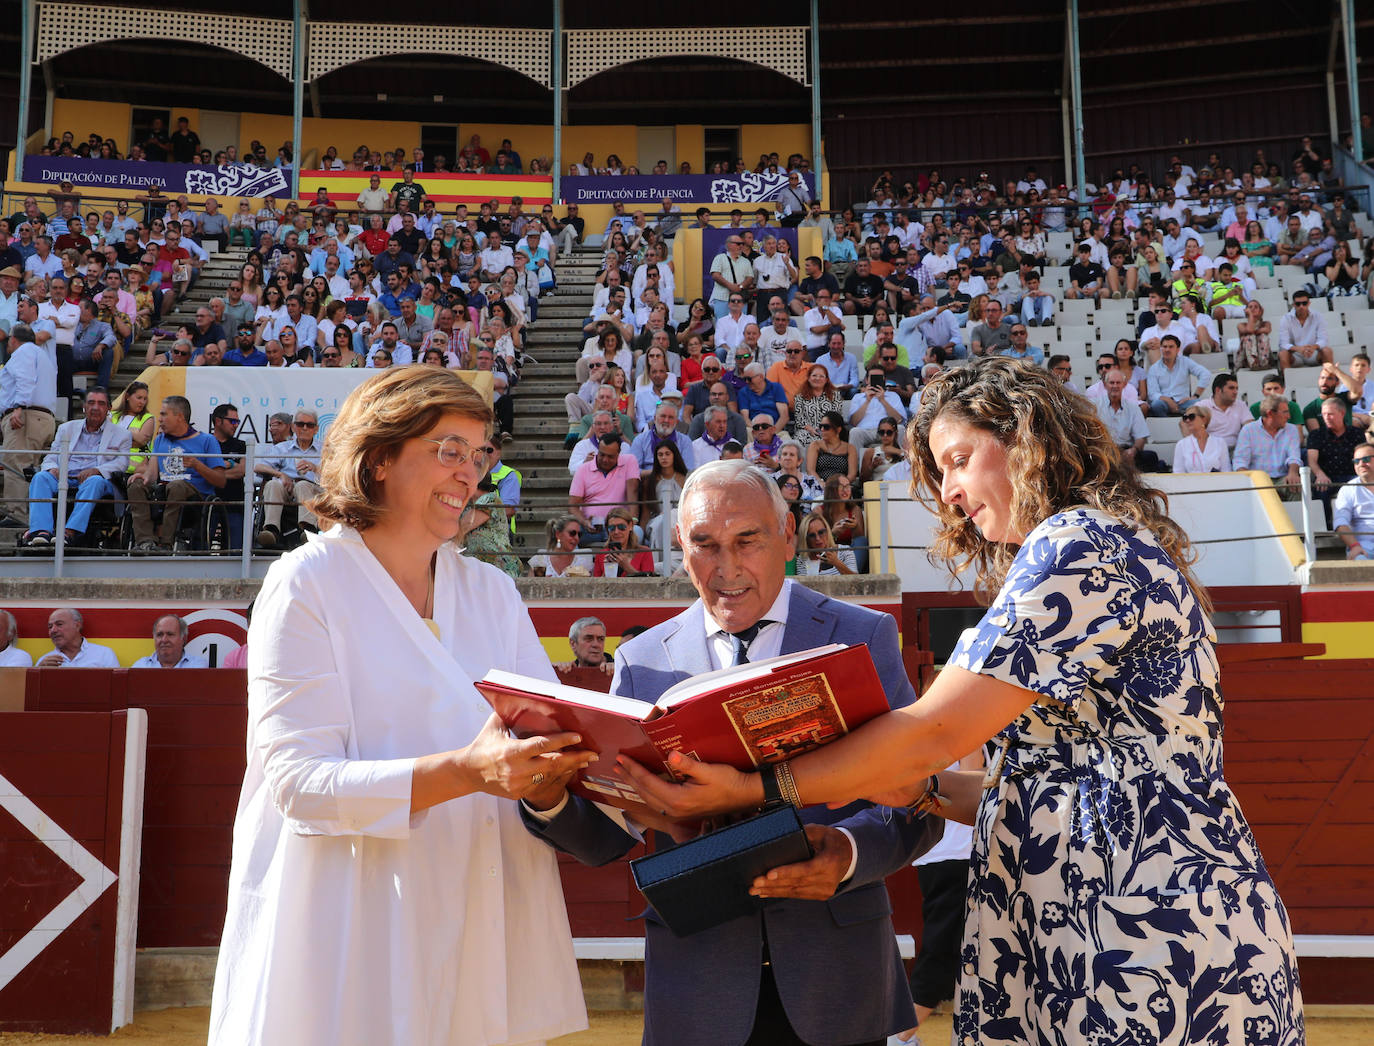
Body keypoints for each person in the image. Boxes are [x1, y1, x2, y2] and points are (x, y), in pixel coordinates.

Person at [621, 359, 1307, 1046]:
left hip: (1139, 935)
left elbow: (930, 732)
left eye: (956, 460)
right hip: (1108, 924)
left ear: (1024, 439)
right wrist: (916, 787)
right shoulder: (1091, 544)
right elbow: (1030, 788)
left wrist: (754, 786)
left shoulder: (1079, 547)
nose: (949, 492)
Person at [208, 368, 593, 1046]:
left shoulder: (492, 594)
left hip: (478, 918)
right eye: (448, 449)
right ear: (379, 458)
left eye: (479, 455)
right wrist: (471, 773)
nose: (468, 473)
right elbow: (299, 784)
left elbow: (543, 745)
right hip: (347, 926)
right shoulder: (307, 582)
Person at [520, 460, 943, 1046]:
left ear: (788, 533)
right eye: (705, 545)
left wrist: (846, 853)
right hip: (698, 985)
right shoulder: (640, 660)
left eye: (748, 541)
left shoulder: (863, 636)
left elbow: (915, 804)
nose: (727, 568)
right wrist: (544, 797)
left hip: (837, 975)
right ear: (678, 545)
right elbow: (607, 834)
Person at [20, 387, 131, 548]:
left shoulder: (122, 434)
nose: (95, 407)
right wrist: (52, 468)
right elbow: (51, 456)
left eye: (101, 404)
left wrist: (97, 470)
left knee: (94, 481)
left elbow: (122, 463)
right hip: (65, 477)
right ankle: (41, 532)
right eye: (91, 403)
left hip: (99, 481)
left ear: (109, 408)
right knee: (40, 477)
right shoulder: (67, 428)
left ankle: (69, 531)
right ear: (84, 406)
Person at [126, 395, 226, 552]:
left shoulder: (207, 440)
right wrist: (143, 477)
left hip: (195, 498)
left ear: (179, 417)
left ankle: (166, 543)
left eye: (164, 414)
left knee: (176, 486)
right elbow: (151, 474)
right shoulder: (159, 440)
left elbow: (221, 481)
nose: (159, 419)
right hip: (165, 491)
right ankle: (145, 542)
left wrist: (197, 465)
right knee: (136, 486)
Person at [1, 320, 59, 528]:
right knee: (31, 470)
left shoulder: (23, 351)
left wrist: (18, 407)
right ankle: (33, 520)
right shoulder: (41, 354)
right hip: (43, 418)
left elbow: (25, 379)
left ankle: (17, 515)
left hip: (26, 416)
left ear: (13, 340)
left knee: (16, 463)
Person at [255, 409, 322, 549]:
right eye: (300, 424)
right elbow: (259, 467)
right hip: (288, 489)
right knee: (273, 484)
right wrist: (281, 475)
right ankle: (271, 530)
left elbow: (336, 475)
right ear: (293, 427)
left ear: (316, 429)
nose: (304, 428)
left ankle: (308, 530)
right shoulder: (282, 448)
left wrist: (314, 468)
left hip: (314, 490)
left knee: (303, 485)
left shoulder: (325, 449)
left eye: (309, 425)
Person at [37, 607, 120, 667]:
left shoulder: (104, 654)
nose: (53, 630)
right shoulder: (45, 662)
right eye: (50, 627)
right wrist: (40, 671)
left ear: (77, 626)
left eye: (59, 624)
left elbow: (116, 687)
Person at [1334, 445, 1374, 560]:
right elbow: (1340, 522)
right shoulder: (1348, 489)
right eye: (1356, 461)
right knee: (1360, 560)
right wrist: (1354, 546)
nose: (1361, 464)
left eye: (1366, 459)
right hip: (1364, 548)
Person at [591, 505, 654, 578]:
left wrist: (626, 567)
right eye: (612, 528)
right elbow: (596, 586)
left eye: (621, 527)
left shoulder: (644, 552)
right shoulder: (601, 554)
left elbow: (649, 584)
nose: (616, 532)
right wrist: (608, 571)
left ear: (630, 526)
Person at [527, 514, 594, 578]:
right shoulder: (540, 562)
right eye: (572, 533)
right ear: (558, 534)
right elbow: (530, 587)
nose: (577, 538)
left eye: (579, 534)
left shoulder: (583, 564)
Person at [131, 614, 209, 668]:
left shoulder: (197, 666)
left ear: (183, 639)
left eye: (170, 634)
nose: (164, 640)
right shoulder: (141, 666)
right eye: (159, 635)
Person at [1173, 403, 1232, 473]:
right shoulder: (1181, 445)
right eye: (1185, 418)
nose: (1188, 420)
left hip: (1216, 483)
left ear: (1204, 420)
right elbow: (1178, 473)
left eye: (1191, 417)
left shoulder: (1220, 443)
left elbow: (1226, 471)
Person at [795, 510, 857, 575]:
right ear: (806, 539)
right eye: (812, 535)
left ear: (827, 531)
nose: (817, 538)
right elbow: (802, 585)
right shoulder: (802, 559)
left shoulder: (845, 551)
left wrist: (836, 563)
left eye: (821, 532)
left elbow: (857, 581)